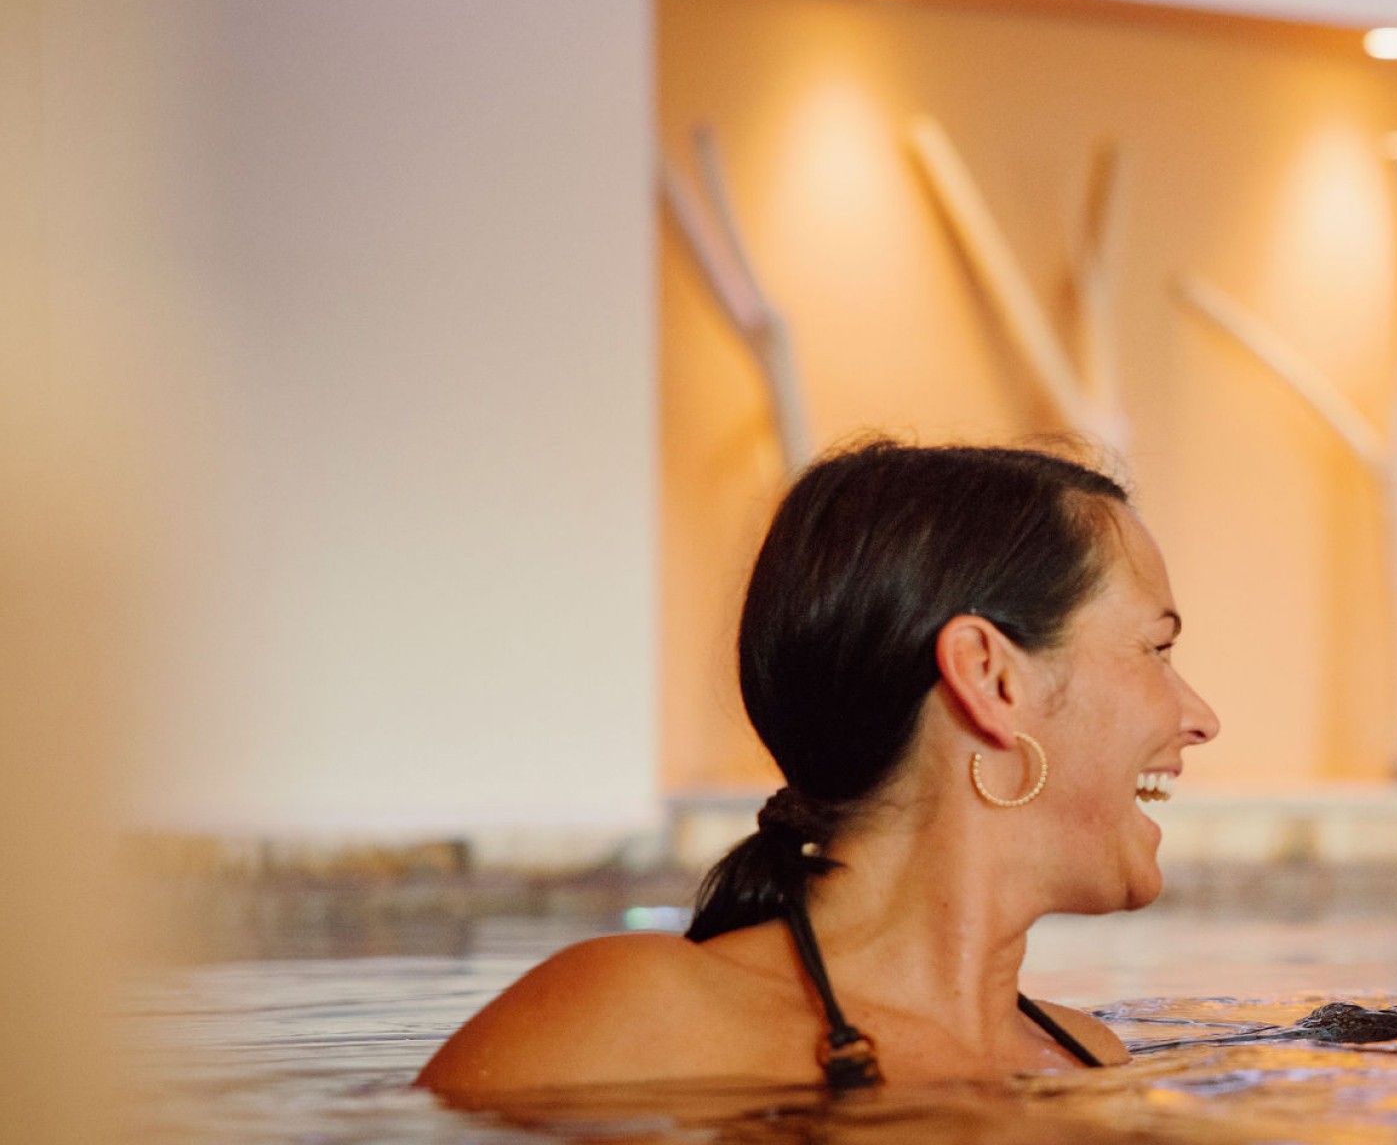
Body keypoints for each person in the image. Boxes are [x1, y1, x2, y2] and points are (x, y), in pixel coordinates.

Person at [419, 442, 1219, 1096]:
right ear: (991, 677)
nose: (1200, 718)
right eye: (1157, 648)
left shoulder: (1088, 1062)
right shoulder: (631, 1021)